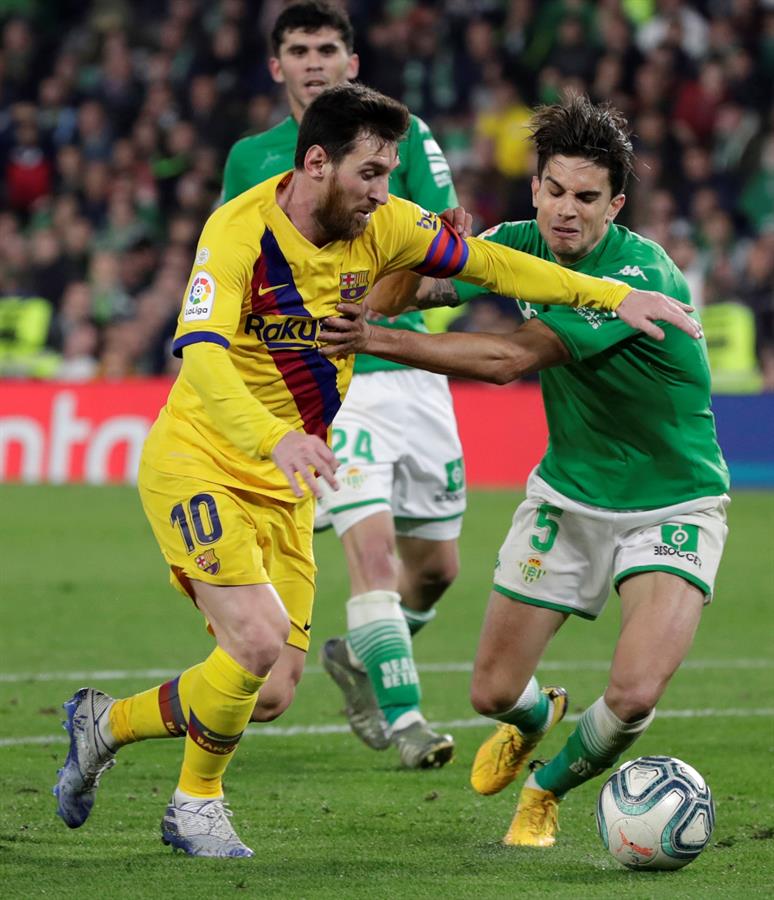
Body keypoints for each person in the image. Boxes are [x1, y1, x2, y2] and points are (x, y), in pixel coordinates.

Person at [52, 83, 699, 858]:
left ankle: (105, 724)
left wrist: (606, 294)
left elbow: (492, 266)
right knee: (256, 643)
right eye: (371, 174)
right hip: (205, 458)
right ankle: (196, 805)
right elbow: (203, 356)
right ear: (318, 162)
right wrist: (275, 438)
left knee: (273, 690)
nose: (384, 193)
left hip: (287, 481)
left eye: (391, 174)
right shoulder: (236, 234)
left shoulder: (385, 223)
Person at [319, 95, 728, 849]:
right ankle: (538, 719)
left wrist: (372, 336)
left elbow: (509, 358)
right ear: (535, 185)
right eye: (554, 190)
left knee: (635, 692)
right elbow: (435, 289)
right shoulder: (521, 241)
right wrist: (419, 257)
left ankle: (546, 791)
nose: (565, 212)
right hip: (570, 495)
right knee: (492, 692)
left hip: (672, 504)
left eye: (586, 198)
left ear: (616, 205)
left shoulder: (638, 278)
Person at [222, 1, 466, 768]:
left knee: (435, 570)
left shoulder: (403, 138)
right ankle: (408, 723)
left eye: (329, 47)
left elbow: (446, 251)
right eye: (299, 49)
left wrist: (397, 290)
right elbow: (231, 275)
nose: (315, 61)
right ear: (277, 66)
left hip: (413, 365)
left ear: (352, 62)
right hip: (326, 377)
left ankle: (365, 652)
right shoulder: (249, 159)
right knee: (372, 550)